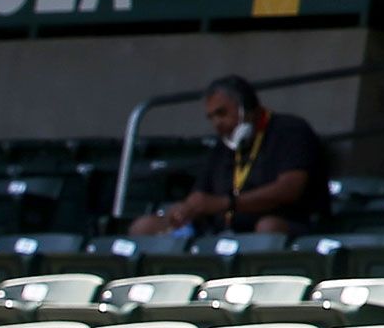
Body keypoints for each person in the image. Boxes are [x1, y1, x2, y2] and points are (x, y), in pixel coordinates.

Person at [128, 75, 330, 239]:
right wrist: (185, 208)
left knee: (267, 227)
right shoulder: (224, 144)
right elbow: (200, 194)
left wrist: (227, 203)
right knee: (143, 227)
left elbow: (289, 189)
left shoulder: (290, 130)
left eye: (222, 113)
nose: (217, 123)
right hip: (220, 229)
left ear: (246, 108)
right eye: (212, 117)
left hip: (285, 223)